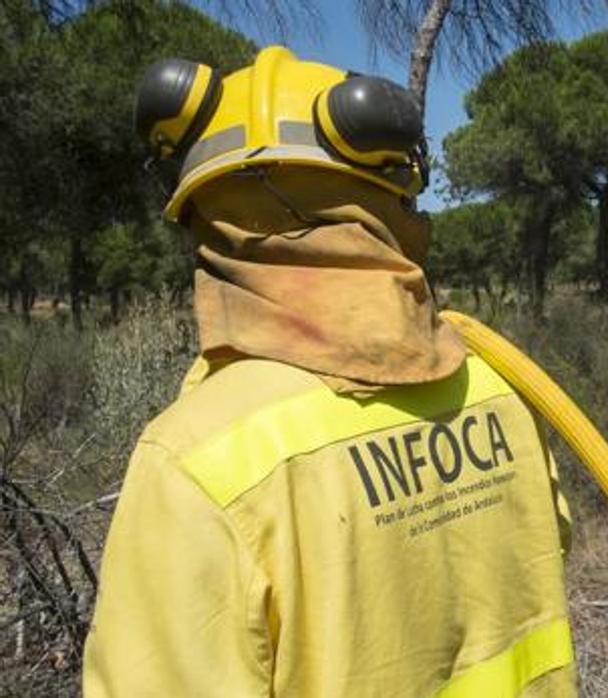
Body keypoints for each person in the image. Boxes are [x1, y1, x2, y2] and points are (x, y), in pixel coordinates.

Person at [83, 46, 575, 697]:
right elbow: (548, 548)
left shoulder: (195, 463)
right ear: (392, 199)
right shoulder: (502, 388)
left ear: (200, 216)